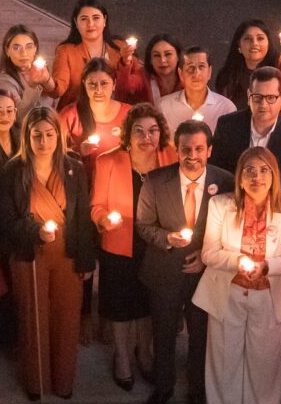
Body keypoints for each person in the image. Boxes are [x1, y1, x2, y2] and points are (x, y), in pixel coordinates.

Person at [0, 107, 95, 400]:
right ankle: (36, 382)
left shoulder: (74, 168)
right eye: (37, 135)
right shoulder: (13, 171)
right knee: (33, 317)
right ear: (27, 136)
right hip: (30, 254)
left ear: (59, 135)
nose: (44, 141)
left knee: (66, 317)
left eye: (50, 134)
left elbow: (82, 217)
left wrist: (86, 260)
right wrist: (34, 231)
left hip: (67, 253)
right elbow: (4, 218)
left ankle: (63, 381)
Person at [192, 147, 281, 403]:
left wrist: (266, 266)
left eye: (264, 170)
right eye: (249, 170)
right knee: (224, 361)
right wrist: (238, 261)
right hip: (227, 294)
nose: (257, 177)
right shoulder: (221, 204)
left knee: (264, 365)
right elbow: (209, 253)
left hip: (270, 298)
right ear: (240, 177)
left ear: (274, 175)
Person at [136, 120, 234, 404]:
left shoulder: (225, 182)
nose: (192, 156)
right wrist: (167, 238)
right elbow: (143, 225)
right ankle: (163, 387)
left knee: (201, 335)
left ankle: (198, 389)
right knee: (164, 332)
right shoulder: (155, 181)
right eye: (186, 149)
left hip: (206, 273)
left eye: (199, 149)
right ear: (176, 150)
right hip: (165, 270)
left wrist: (205, 255)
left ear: (209, 150)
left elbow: (231, 228)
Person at [90, 104, 177, 389]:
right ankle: (122, 357)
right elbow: (96, 206)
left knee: (148, 304)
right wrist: (103, 219)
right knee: (121, 304)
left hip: (156, 244)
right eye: (138, 130)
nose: (146, 137)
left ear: (161, 133)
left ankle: (144, 353)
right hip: (119, 243)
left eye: (153, 130)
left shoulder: (170, 157)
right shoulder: (108, 161)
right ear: (128, 134)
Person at [212, 67, 281, 196]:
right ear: (249, 96)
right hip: (231, 200)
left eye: (271, 98)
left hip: (278, 203)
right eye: (258, 97)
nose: (263, 104)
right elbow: (217, 172)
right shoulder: (227, 125)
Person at [47, 0, 139, 107]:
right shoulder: (66, 51)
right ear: (76, 23)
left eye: (96, 18)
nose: (90, 24)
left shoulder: (120, 47)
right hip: (78, 112)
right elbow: (58, 89)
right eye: (84, 19)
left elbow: (137, 84)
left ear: (105, 20)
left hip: (116, 112)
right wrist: (45, 80)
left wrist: (126, 61)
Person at [59, 58, 132, 167]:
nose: (98, 90)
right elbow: (53, 152)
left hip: (120, 175)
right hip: (83, 176)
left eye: (104, 83)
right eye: (92, 84)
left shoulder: (129, 114)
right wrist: (79, 151)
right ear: (84, 84)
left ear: (114, 84)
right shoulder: (69, 115)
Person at [214, 21, 281, 113]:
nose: (254, 43)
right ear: (239, 45)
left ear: (268, 43)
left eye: (260, 38)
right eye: (248, 39)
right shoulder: (227, 75)